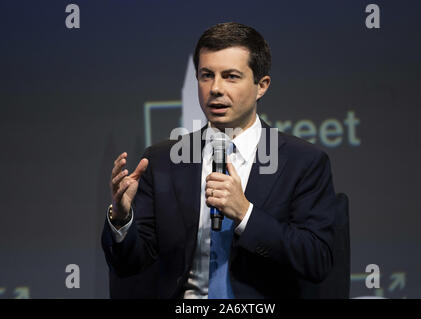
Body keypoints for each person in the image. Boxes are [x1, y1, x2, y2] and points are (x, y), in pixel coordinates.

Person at [102, 22, 337, 298]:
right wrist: (121, 218)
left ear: (261, 85)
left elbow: (316, 259)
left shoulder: (303, 162)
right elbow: (130, 264)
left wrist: (245, 213)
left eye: (231, 76)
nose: (215, 88)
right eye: (206, 75)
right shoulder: (163, 160)